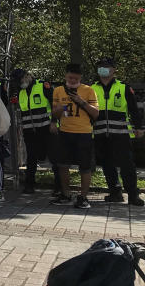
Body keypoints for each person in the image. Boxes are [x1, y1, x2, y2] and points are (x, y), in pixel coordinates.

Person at [91, 58, 144, 206]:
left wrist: (139, 127)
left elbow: (134, 110)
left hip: (121, 133)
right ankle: (115, 193)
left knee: (127, 164)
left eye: (107, 67)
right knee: (107, 164)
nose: (103, 69)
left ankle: (133, 195)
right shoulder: (92, 89)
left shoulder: (124, 88)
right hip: (100, 133)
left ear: (114, 70)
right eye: (101, 66)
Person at [51, 63, 99, 210]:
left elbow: (96, 114)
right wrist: (58, 110)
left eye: (75, 78)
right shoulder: (58, 90)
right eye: (70, 77)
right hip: (65, 132)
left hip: (83, 133)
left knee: (85, 167)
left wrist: (81, 101)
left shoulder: (88, 90)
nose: (72, 80)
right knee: (63, 164)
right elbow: (54, 113)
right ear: (66, 75)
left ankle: (83, 197)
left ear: (80, 78)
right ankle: (66, 194)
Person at [15, 68, 54, 194]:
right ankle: (29, 184)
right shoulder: (20, 92)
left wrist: (54, 121)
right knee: (31, 157)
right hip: (29, 130)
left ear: (28, 75)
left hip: (45, 127)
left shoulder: (43, 86)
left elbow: (55, 103)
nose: (21, 82)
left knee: (53, 156)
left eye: (22, 79)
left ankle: (59, 186)